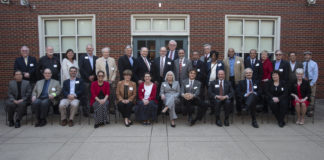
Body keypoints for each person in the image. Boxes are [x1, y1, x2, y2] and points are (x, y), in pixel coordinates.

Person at [96, 47, 117, 114]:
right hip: (103, 82)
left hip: (111, 81)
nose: (106, 53)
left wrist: (112, 79)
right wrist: (102, 80)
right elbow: (97, 71)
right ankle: (104, 108)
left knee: (112, 95)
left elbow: (115, 70)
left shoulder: (112, 60)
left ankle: (111, 108)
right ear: (102, 53)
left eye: (107, 52)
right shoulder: (98, 60)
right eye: (105, 52)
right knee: (104, 95)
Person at [78, 44, 98, 117]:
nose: (89, 49)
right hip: (85, 80)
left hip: (94, 80)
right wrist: (88, 76)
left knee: (93, 95)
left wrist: (94, 76)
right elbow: (81, 68)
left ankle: (92, 109)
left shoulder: (96, 58)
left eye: (91, 48)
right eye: (88, 48)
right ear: (86, 49)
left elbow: (97, 68)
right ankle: (86, 111)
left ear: (93, 49)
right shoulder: (82, 57)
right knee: (86, 96)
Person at [224, 48, 244, 114]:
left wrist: (242, 80)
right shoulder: (225, 60)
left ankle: (239, 110)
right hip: (229, 79)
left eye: (232, 51)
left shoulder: (240, 59)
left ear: (234, 52)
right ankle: (230, 110)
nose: (231, 53)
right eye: (229, 52)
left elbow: (242, 70)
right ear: (228, 53)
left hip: (237, 80)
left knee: (238, 95)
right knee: (230, 95)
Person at [303, 51, 318, 117]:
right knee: (305, 96)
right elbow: (302, 72)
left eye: (308, 55)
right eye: (305, 55)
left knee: (312, 96)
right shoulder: (303, 63)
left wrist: (312, 83)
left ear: (311, 56)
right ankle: (305, 110)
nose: (307, 56)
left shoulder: (314, 64)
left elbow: (316, 74)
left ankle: (310, 111)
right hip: (304, 82)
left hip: (311, 81)